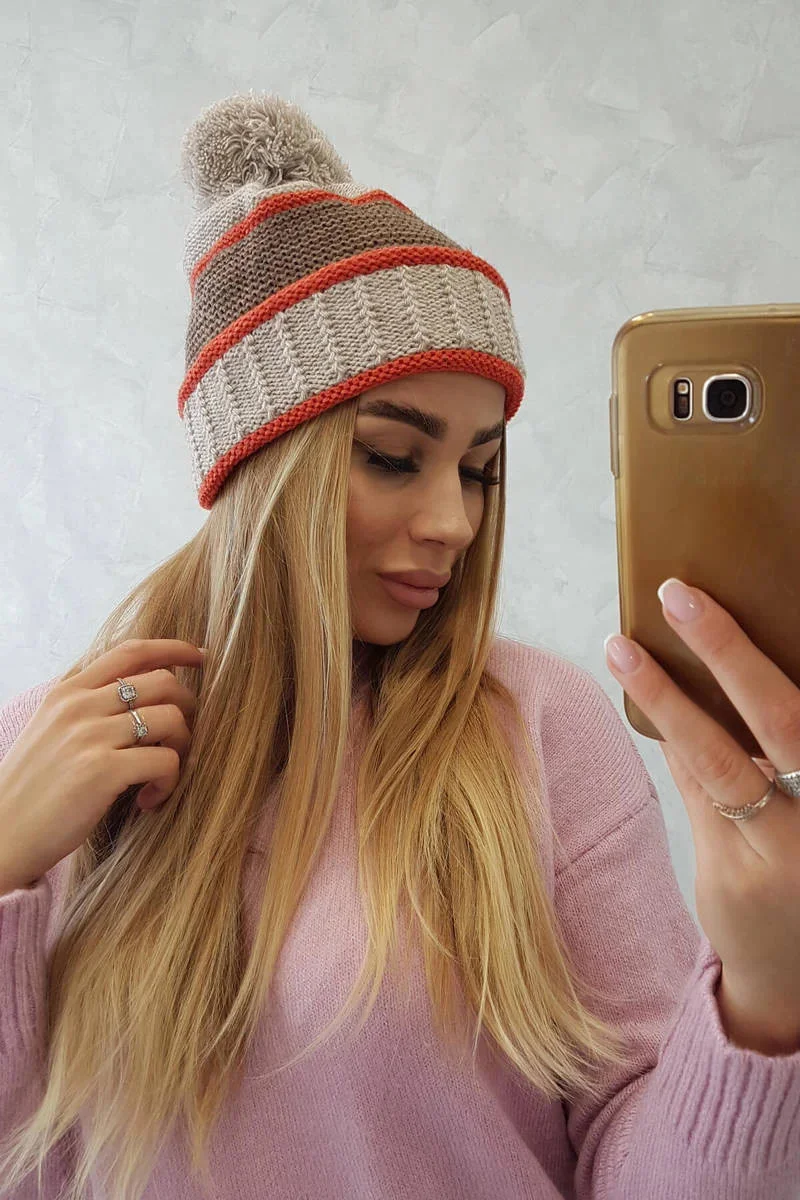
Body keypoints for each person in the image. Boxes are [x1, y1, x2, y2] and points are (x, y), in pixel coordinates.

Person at [0, 91, 797, 1200]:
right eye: (391, 457)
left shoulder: (537, 730)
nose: (455, 523)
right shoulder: (56, 752)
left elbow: (633, 1156)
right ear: (257, 465)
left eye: (478, 469)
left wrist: (766, 1001)